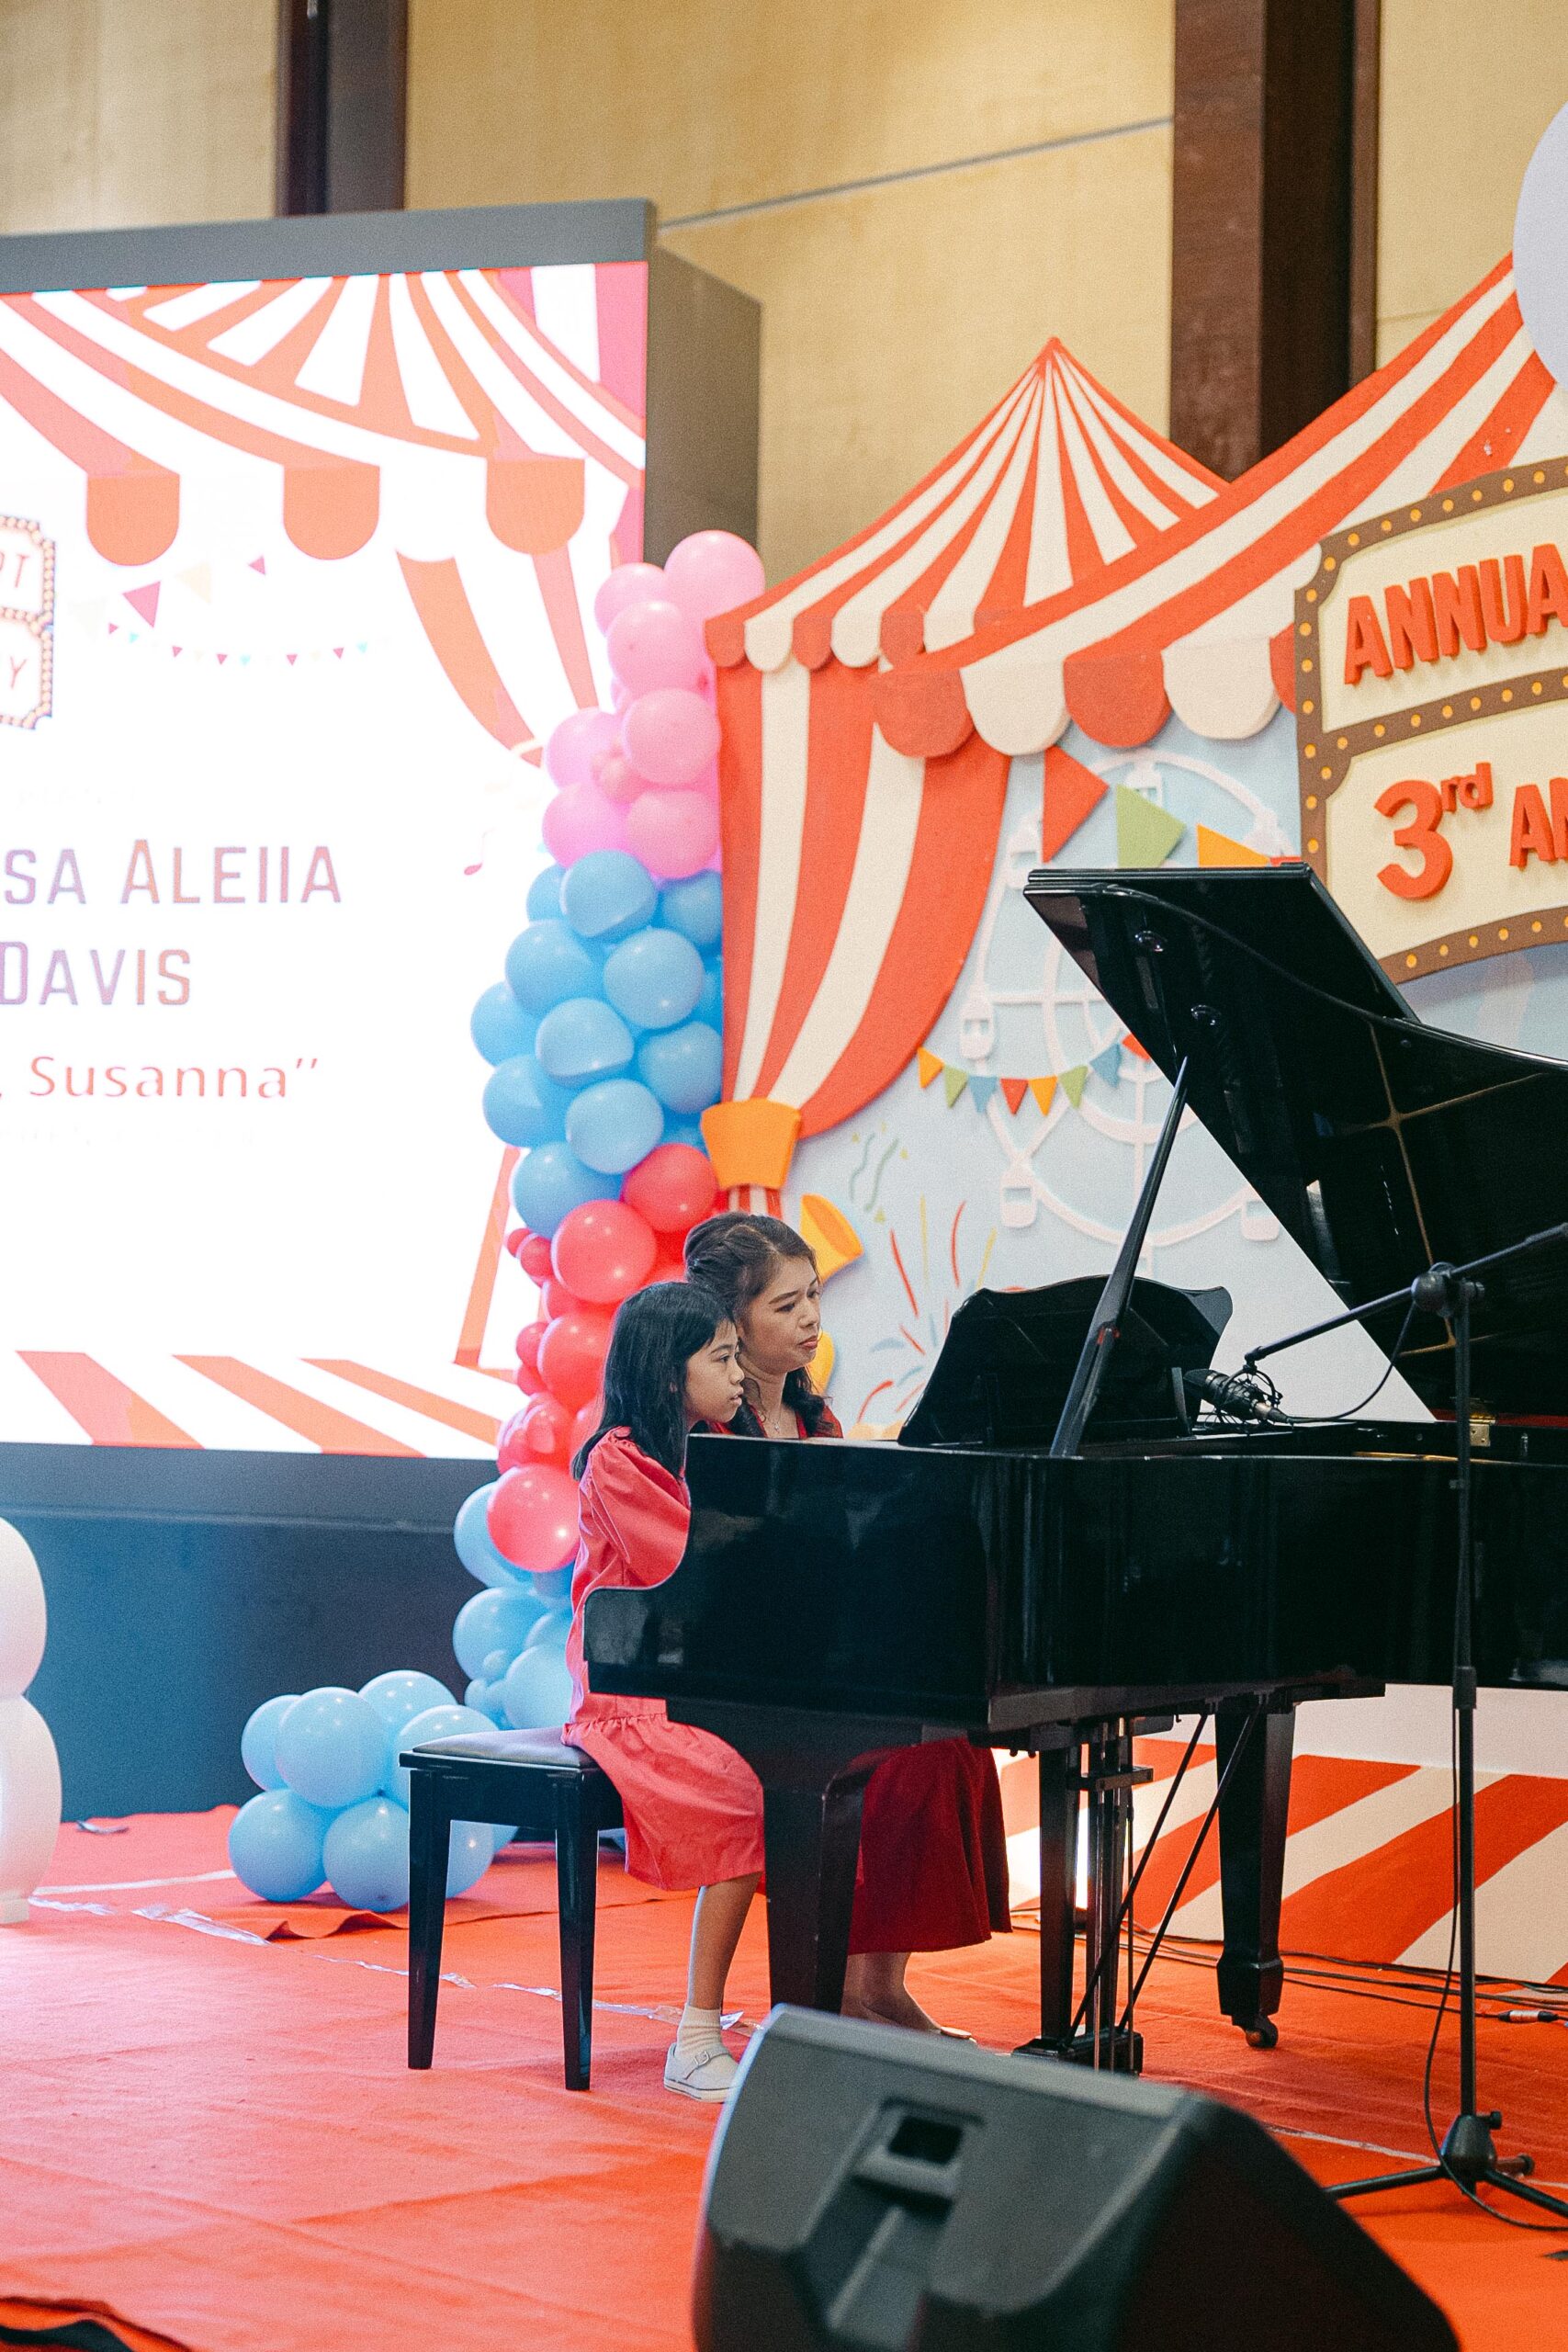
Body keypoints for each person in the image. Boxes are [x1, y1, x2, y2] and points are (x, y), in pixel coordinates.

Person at [682, 1210, 1011, 2033]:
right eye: (785, 1305)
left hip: (813, 1660)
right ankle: (833, 1996)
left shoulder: (817, 1419)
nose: (809, 1320)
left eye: (813, 1298)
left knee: (946, 1745)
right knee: (881, 1759)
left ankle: (876, 1987)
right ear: (731, 1321)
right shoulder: (699, 1428)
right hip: (730, 1669)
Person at [561, 1281, 761, 2103]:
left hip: (699, 1679)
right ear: (669, 1372)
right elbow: (688, 1567)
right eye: (722, 1359)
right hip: (629, 1692)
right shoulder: (617, 1458)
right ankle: (695, 2035)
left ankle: (830, 2016)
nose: (740, 1375)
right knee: (746, 1793)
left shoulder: (708, 1446)